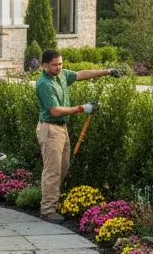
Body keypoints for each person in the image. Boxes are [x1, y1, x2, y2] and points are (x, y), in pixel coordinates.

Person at [35, 50, 121, 222]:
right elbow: (55, 110)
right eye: (55, 64)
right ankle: (47, 210)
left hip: (61, 128)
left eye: (60, 64)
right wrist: (82, 108)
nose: (59, 67)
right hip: (50, 129)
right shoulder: (44, 84)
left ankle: (53, 202)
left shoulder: (61, 75)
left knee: (63, 167)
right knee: (53, 170)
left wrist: (106, 71)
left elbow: (81, 74)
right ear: (45, 66)